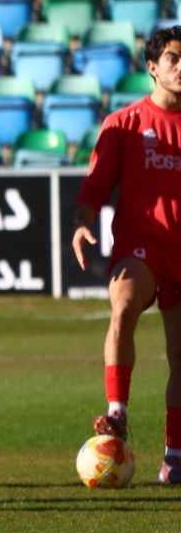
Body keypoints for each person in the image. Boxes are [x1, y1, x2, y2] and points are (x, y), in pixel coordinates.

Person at [73, 24, 181, 480]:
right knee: (122, 307)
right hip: (143, 245)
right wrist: (81, 223)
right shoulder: (124, 124)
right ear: (153, 68)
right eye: (174, 58)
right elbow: (95, 185)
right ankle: (116, 411)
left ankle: (174, 456)